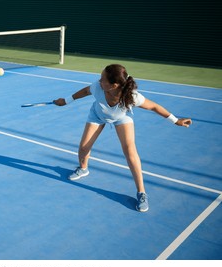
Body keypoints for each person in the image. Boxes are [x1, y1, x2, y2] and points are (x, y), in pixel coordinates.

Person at [54, 64, 192, 212]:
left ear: (114, 85)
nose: (99, 81)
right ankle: (83, 168)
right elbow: (85, 91)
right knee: (83, 147)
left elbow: (153, 106)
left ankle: (142, 193)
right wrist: (66, 100)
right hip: (97, 115)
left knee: (130, 152)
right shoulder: (97, 87)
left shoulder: (131, 96)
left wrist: (176, 120)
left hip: (121, 118)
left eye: (102, 79)